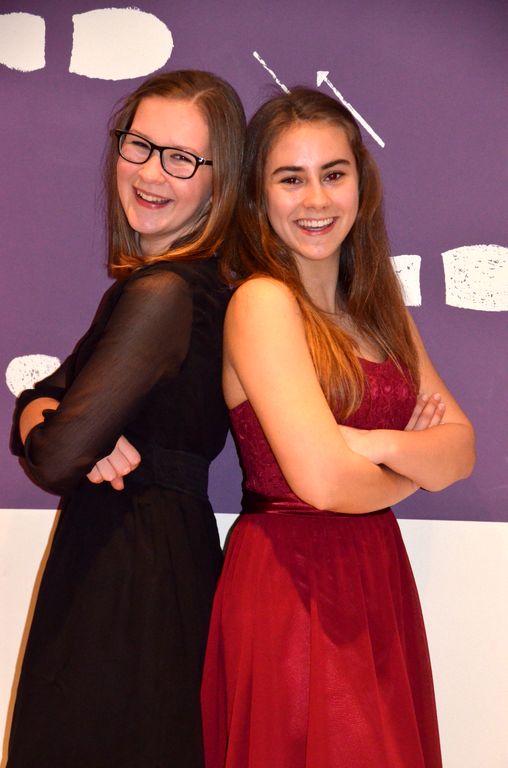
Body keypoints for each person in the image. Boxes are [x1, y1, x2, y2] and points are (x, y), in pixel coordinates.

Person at [200, 87, 475, 768]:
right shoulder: (262, 302)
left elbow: (461, 450)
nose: (316, 199)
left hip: (377, 574)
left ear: (361, 183)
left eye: (333, 173)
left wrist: (374, 445)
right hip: (291, 584)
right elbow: (323, 482)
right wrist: (410, 472)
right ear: (258, 196)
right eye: (290, 179)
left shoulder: (380, 308)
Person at [8, 70, 245, 768]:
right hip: (144, 563)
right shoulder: (167, 286)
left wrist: (64, 432)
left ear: (220, 182)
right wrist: (58, 420)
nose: (150, 172)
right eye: (139, 145)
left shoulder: (165, 293)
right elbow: (41, 402)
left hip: (128, 578)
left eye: (182, 158)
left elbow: (54, 457)